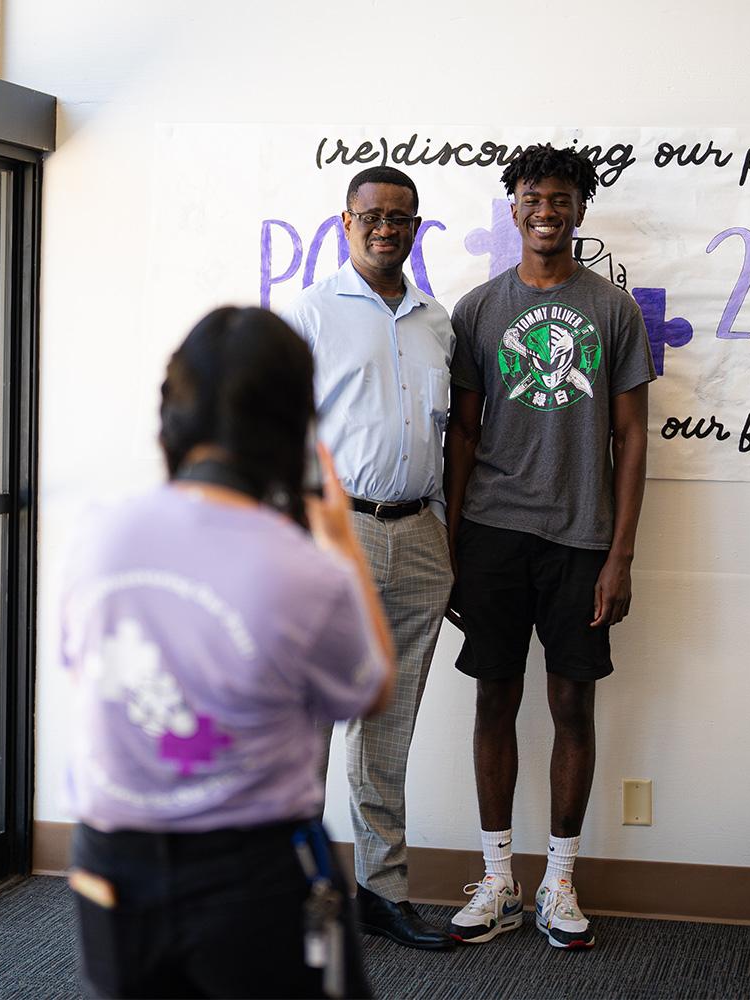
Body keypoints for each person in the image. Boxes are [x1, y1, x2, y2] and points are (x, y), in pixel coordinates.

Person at [61, 306, 395, 998]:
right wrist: (340, 541)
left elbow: (86, 668)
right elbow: (370, 692)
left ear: (172, 413)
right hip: (253, 875)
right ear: (297, 425)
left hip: (106, 863)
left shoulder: (95, 536)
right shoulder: (306, 571)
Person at [444, 144, 656, 949]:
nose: (546, 210)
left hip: (582, 540)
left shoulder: (613, 310)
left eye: (561, 198)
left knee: (573, 703)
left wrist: (622, 554)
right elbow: (463, 433)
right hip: (494, 533)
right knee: (494, 698)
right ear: (513, 207)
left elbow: (632, 438)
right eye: (533, 196)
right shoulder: (476, 310)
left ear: (579, 209)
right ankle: (499, 879)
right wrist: (454, 541)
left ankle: (560, 882)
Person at [282, 166, 455, 949]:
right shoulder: (311, 315)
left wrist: (444, 532)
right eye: (373, 215)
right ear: (345, 222)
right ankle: (295, 897)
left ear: (417, 227)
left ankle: (380, 894)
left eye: (402, 217)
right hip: (334, 535)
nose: (387, 227)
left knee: (388, 728)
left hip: (419, 536)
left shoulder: (436, 322)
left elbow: (444, 435)